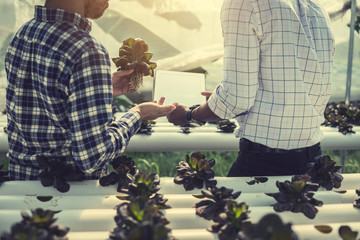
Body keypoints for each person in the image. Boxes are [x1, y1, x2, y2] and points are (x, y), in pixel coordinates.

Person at [4, 0, 176, 180]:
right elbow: (93, 157)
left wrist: (100, 89)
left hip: (21, 183)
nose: (108, 3)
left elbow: (43, 102)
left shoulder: (25, 33)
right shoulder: (87, 51)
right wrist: (137, 113)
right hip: (68, 196)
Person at [168, 0, 335, 177]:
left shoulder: (244, 3)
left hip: (264, 164)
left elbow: (235, 99)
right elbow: (302, 89)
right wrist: (219, 103)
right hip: (315, 161)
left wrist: (189, 114)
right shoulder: (315, 6)